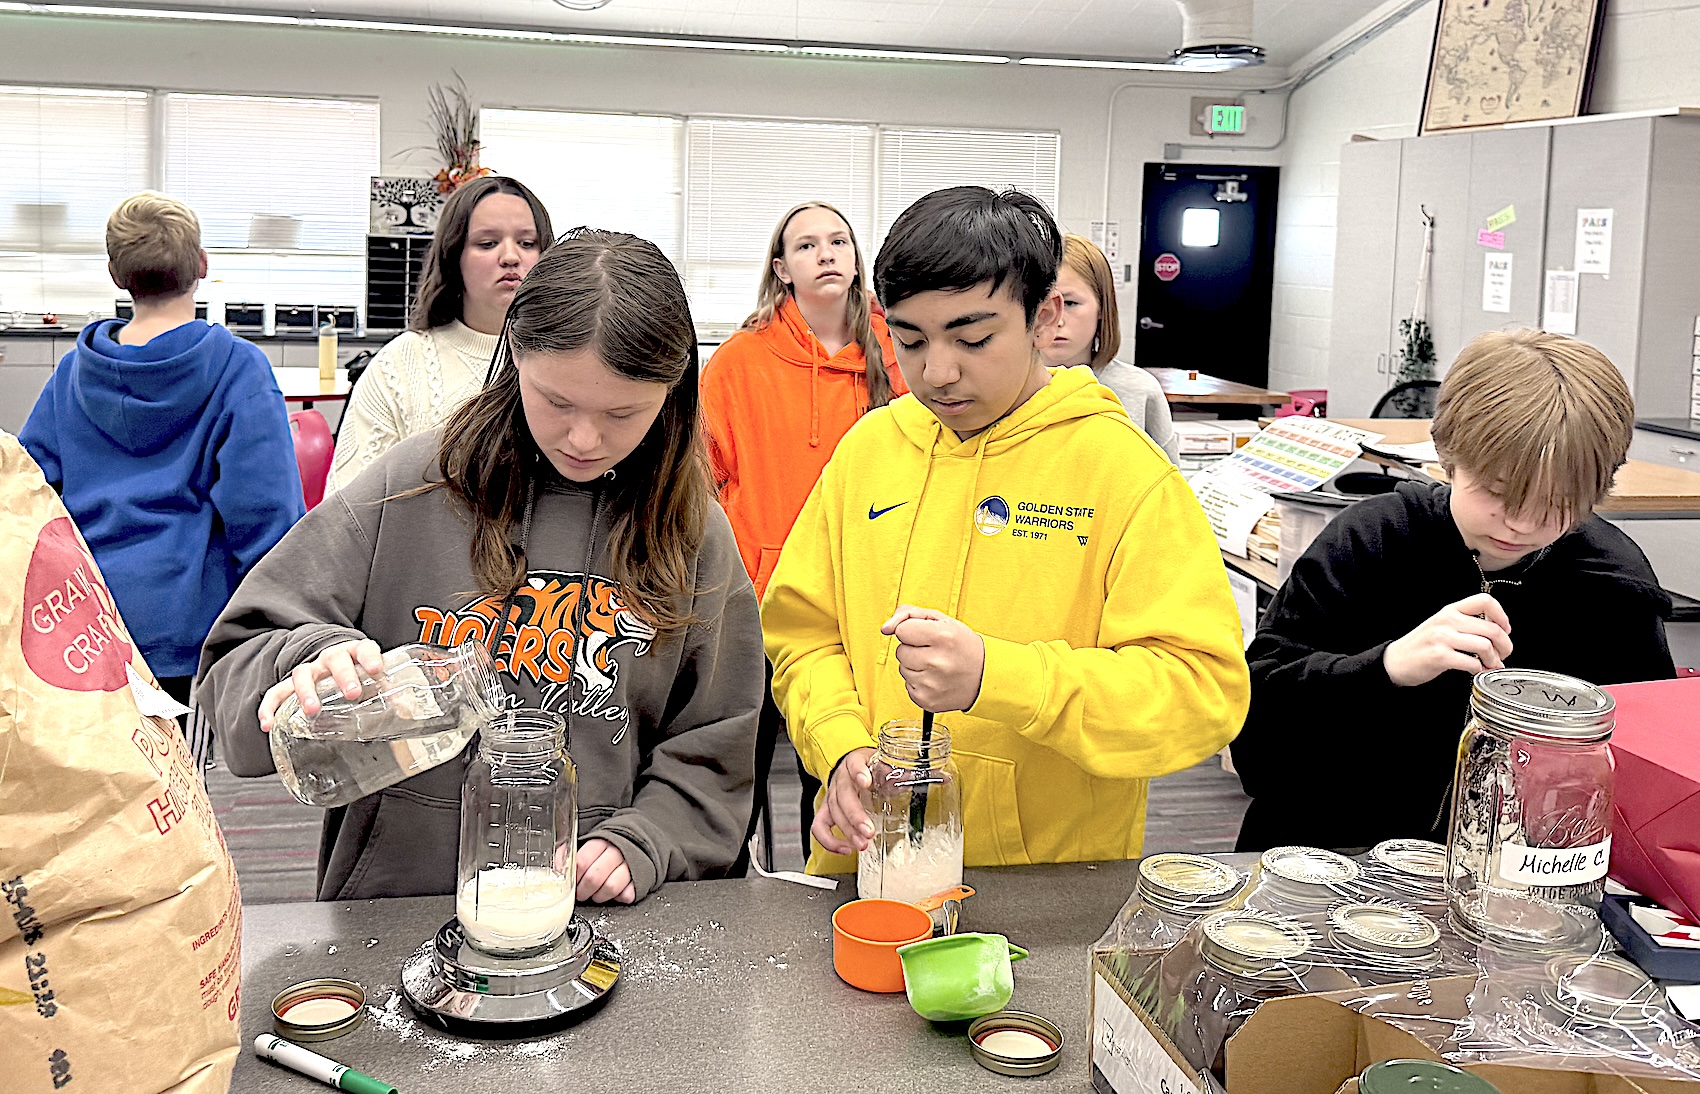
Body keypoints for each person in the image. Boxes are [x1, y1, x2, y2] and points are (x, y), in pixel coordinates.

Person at [198, 229, 763, 904]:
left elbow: (718, 744)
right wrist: (310, 658)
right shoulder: (411, 485)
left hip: (596, 921)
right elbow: (235, 662)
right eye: (557, 402)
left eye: (621, 413)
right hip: (397, 907)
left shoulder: (691, 532)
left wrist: (647, 836)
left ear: (671, 394)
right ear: (516, 354)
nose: (584, 439)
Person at [761, 186, 1251, 874]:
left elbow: (1201, 694)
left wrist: (1004, 677)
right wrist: (840, 745)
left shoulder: (1121, 472)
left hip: (1045, 890)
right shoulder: (870, 451)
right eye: (909, 340)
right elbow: (801, 634)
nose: (937, 372)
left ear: (1044, 315)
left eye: (973, 338)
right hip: (873, 865)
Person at [1231, 329, 1676, 854]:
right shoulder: (1373, 540)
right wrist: (1386, 668)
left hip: (1514, 883)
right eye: (1497, 491)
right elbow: (1255, 738)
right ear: (1448, 458)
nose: (1520, 522)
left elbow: (1650, 771)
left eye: (1558, 502)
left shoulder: (1613, 585)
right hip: (1325, 861)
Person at [19, 191, 303, 761]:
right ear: (202, 266)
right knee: (175, 807)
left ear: (115, 274)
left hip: (83, 629)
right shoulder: (237, 368)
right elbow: (265, 514)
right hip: (184, 635)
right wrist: (280, 623)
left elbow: (29, 494)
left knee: (101, 795)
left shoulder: (75, 372)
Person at [702, 201, 905, 864]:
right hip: (756, 603)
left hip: (865, 602)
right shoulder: (740, 360)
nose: (826, 253)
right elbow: (701, 477)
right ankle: (732, 890)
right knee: (743, 768)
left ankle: (828, 887)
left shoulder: (899, 350)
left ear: (856, 257)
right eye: (808, 244)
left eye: (839, 240)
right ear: (781, 267)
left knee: (838, 766)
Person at [328, 175, 553, 491]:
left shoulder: (570, 356)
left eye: (527, 243)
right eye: (487, 243)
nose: (511, 257)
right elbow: (345, 507)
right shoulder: (400, 363)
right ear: (453, 256)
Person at [1041, 234, 1178, 463]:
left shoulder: (1138, 391)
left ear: (1102, 308)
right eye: (1040, 303)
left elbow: (1172, 488)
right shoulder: (1001, 387)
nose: (1056, 318)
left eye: (1071, 303)